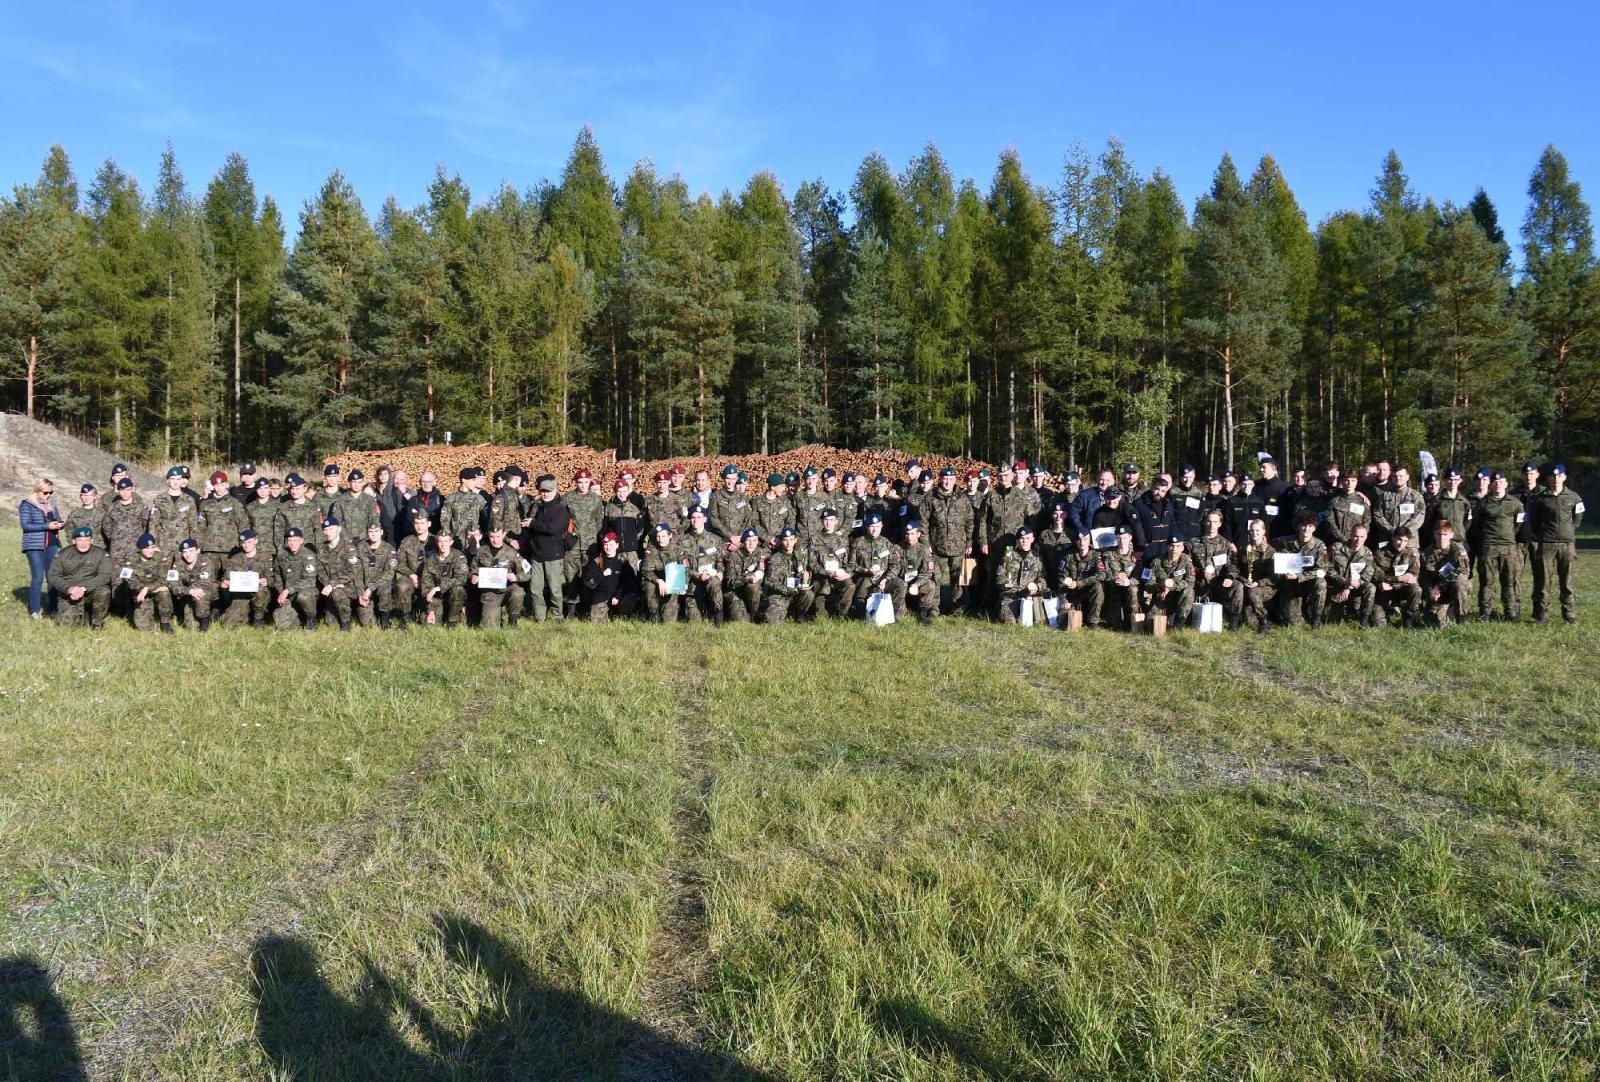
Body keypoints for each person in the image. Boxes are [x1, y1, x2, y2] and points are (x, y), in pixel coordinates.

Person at [1528, 463, 1584, 624]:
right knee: (1543, 581)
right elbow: (1534, 521)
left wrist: (1568, 531)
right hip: (1546, 544)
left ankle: (1569, 615)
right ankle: (1542, 615)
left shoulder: (1574, 497)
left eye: (1559, 476)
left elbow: (1577, 519)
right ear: (1548, 478)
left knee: (1567, 582)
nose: (1556, 479)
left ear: (1564, 477)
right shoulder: (1540, 498)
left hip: (1567, 545)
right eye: (1552, 476)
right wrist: (1545, 534)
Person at [1474, 470, 1522, 621]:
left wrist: (1508, 537)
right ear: (1491, 485)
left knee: (1509, 581)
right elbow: (1477, 525)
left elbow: (1518, 524)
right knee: (1486, 581)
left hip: (1508, 547)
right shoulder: (1483, 504)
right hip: (1488, 546)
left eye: (1501, 482)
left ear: (1506, 484)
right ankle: (1485, 612)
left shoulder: (1515, 503)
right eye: (1495, 482)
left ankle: (1510, 612)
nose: (1498, 485)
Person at [927, 467, 975, 615]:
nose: (948, 482)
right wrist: (926, 544)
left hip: (958, 546)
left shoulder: (962, 498)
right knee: (935, 578)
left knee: (959, 579)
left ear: (955, 480)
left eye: (951, 479)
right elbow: (923, 522)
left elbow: (969, 522)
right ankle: (934, 608)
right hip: (937, 546)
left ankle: (959, 609)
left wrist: (969, 543)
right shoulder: (931, 498)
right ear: (940, 479)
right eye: (945, 479)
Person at [47, 525, 113, 629]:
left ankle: (97, 624)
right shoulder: (63, 554)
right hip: (69, 594)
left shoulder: (101, 554)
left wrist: (83, 588)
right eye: (80, 540)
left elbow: (105, 576)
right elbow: (53, 575)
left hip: (90, 592)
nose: (83, 543)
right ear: (73, 541)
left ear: (92, 540)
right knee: (67, 627)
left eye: (87, 540)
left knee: (104, 591)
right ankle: (83, 615)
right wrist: (69, 589)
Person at [525, 474, 570, 622]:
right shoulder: (537, 507)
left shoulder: (561, 510)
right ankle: (540, 617)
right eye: (543, 490)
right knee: (535, 589)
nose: (545, 493)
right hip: (537, 555)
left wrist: (533, 524)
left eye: (548, 491)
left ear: (555, 490)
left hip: (554, 555)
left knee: (555, 590)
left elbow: (554, 528)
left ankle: (557, 616)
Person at [19, 478, 64, 619]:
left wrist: (60, 524)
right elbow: (26, 525)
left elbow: (58, 519)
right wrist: (47, 526)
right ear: (37, 490)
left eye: (51, 492)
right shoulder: (27, 505)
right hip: (34, 546)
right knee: (38, 577)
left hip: (52, 544)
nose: (48, 495)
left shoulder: (52, 504)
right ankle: (34, 610)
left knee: (52, 577)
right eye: (45, 492)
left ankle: (53, 609)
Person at [849, 512, 905, 620]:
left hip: (883, 577)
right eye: (872, 526)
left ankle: (894, 617)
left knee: (901, 585)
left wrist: (885, 579)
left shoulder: (887, 543)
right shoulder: (858, 543)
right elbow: (851, 565)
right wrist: (865, 570)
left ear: (882, 526)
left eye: (877, 526)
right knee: (861, 608)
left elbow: (895, 565)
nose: (875, 530)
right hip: (865, 577)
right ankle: (863, 615)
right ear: (867, 527)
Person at [1224, 519, 1277, 633]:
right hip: (1247, 584)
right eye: (1252, 530)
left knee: (1253, 592)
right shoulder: (1244, 549)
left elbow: (1273, 576)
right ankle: (1235, 620)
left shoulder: (1270, 551)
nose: (1254, 533)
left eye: (1257, 530)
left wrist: (1258, 583)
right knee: (1249, 622)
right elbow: (1237, 569)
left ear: (1263, 531)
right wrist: (1244, 581)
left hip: (1265, 587)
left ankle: (1264, 622)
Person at [316, 514, 365, 631]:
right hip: (330, 588)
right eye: (325, 529)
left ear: (339, 529)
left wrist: (333, 584)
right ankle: (339, 610)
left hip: (349, 587)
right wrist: (328, 584)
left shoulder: (349, 548)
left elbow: (353, 572)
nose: (328, 532)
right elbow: (319, 570)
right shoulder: (322, 549)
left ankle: (346, 623)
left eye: (331, 528)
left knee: (338, 594)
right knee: (330, 623)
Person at [471, 525, 525, 629]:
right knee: (489, 628)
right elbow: (473, 569)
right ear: (488, 536)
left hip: (508, 588)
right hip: (489, 592)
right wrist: (474, 576)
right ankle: (498, 615)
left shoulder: (511, 552)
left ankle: (512, 622)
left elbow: (527, 571)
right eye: (492, 537)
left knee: (518, 592)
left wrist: (516, 577)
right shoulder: (482, 551)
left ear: (503, 535)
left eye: (498, 536)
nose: (495, 540)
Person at [1420, 519, 1472, 627]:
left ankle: (1462, 618)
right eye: (1439, 534)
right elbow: (1424, 577)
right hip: (1436, 593)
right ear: (1434, 534)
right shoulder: (1426, 554)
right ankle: (1447, 612)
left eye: (1445, 534)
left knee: (1460, 584)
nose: (1441, 538)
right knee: (1435, 624)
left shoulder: (1458, 549)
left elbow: (1463, 571)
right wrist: (1431, 592)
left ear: (1451, 535)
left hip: (1453, 587)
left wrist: (1440, 587)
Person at [221, 529, 275, 629]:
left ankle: (258, 618)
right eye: (243, 543)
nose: (246, 545)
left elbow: (273, 579)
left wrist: (267, 581)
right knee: (228, 625)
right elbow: (226, 577)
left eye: (249, 542)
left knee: (261, 591)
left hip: (259, 594)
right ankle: (245, 616)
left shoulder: (265, 558)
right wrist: (225, 582)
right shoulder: (235, 558)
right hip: (241, 596)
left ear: (256, 541)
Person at [581, 532, 640, 622]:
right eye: (606, 544)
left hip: (619, 597)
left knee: (630, 601)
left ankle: (620, 616)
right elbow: (588, 583)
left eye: (611, 544)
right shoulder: (597, 562)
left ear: (617, 545)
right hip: (602, 597)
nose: (608, 547)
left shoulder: (622, 562)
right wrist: (602, 575)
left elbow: (629, 582)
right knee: (596, 624)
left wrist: (617, 595)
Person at [682, 504, 726, 624]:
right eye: (693, 517)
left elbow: (720, 561)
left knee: (714, 582)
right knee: (694, 622)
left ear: (705, 519)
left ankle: (718, 615)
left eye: (699, 517)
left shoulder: (715, 540)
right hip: (693, 585)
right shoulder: (682, 541)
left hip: (711, 581)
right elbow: (682, 567)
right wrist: (696, 575)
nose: (696, 520)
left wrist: (720, 572)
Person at [1328, 521, 1378, 626]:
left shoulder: (1368, 553)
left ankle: (1363, 621)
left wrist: (1348, 587)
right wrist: (1345, 581)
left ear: (1366, 537)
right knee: (1333, 622)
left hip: (1355, 588)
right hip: (1336, 587)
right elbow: (1327, 569)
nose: (1358, 540)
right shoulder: (1336, 548)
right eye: (1355, 536)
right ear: (1351, 535)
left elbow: (1367, 575)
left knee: (1371, 587)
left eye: (1362, 537)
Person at [996, 525, 1048, 626]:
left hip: (1029, 597)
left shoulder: (1037, 558)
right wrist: (1008, 586)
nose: (1024, 541)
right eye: (1021, 538)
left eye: (1027, 538)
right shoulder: (1008, 556)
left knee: (1032, 622)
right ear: (1018, 540)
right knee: (1009, 623)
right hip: (1011, 596)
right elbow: (999, 579)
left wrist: (1037, 587)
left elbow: (1043, 579)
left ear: (1032, 539)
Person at [198, 471, 246, 578]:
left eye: (222, 485)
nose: (219, 488)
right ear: (212, 486)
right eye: (216, 485)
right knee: (207, 579)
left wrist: (243, 545)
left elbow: (243, 524)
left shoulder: (234, 503)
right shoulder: (205, 504)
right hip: (209, 549)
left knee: (230, 580)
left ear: (227, 485)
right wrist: (198, 546)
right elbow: (200, 527)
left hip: (230, 549)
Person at [808, 508, 854, 619]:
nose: (828, 523)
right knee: (821, 617)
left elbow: (850, 562)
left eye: (831, 519)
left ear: (836, 521)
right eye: (826, 520)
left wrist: (847, 573)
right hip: (821, 579)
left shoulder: (842, 540)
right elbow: (812, 563)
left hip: (838, 578)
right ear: (822, 521)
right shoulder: (814, 539)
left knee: (850, 585)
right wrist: (827, 573)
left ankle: (841, 615)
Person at [641, 521, 691, 624]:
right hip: (655, 582)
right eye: (658, 536)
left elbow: (685, 569)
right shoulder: (651, 549)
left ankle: (673, 608)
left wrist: (684, 584)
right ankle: (653, 613)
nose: (660, 539)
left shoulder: (678, 550)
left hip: (673, 583)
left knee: (669, 622)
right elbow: (646, 571)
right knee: (649, 585)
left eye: (663, 536)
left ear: (670, 535)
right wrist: (658, 581)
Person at [124, 532, 175, 633]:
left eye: (152, 547)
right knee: (144, 628)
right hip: (140, 594)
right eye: (147, 548)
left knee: (164, 592)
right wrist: (144, 590)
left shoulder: (160, 557)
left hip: (154, 591)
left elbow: (164, 579)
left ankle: (165, 622)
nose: (150, 551)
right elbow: (131, 583)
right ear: (140, 548)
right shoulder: (130, 560)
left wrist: (147, 588)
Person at [1375, 528, 1423, 628]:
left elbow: (1413, 576)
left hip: (1400, 588)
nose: (1401, 543)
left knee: (1416, 589)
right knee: (1378, 624)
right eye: (1399, 539)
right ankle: (1388, 611)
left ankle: (1408, 618)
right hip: (1384, 590)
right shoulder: (1380, 553)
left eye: (1405, 541)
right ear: (1393, 537)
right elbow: (1378, 575)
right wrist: (1400, 578)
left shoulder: (1411, 554)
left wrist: (1394, 583)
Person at [1142, 536, 1196, 626]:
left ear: (1182, 548)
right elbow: (1148, 583)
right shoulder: (1156, 561)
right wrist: (1160, 588)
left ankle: (1179, 623)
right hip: (1161, 597)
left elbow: (1190, 582)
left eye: (1178, 546)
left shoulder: (1186, 560)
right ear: (1167, 546)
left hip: (1178, 597)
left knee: (1189, 591)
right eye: (1172, 545)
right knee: (1151, 626)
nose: (1174, 549)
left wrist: (1171, 587)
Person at [356, 520, 401, 629]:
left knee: (385, 590)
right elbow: (356, 572)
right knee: (367, 624)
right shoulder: (361, 547)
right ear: (367, 533)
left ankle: (384, 620)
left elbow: (389, 574)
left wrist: (370, 589)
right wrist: (360, 592)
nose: (373, 534)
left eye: (376, 531)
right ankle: (370, 610)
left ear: (381, 532)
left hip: (381, 585)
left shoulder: (389, 549)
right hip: (364, 586)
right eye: (371, 531)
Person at [1056, 530, 1106, 627]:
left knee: (1098, 586)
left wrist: (1079, 583)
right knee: (1062, 623)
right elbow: (1062, 579)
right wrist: (1064, 600)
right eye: (1079, 540)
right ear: (1076, 541)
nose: (1082, 542)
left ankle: (1093, 621)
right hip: (1072, 595)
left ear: (1090, 540)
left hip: (1089, 594)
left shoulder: (1096, 556)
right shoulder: (1068, 556)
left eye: (1085, 539)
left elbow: (1101, 575)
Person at [421, 530, 469, 627]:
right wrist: (431, 611)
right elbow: (426, 587)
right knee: (429, 626)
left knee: (458, 589)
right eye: (440, 541)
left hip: (454, 598)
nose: (443, 545)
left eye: (446, 541)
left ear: (451, 542)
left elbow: (461, 578)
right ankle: (440, 615)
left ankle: (453, 622)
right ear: (437, 542)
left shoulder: (458, 557)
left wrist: (439, 587)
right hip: (437, 599)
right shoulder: (430, 560)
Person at [171, 539, 218, 631]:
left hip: (207, 592)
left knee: (200, 596)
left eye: (191, 551)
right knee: (191, 627)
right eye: (184, 552)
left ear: (198, 550)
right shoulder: (178, 564)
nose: (188, 555)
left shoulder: (206, 562)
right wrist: (188, 591)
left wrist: (187, 590)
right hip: (189, 594)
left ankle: (204, 627)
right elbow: (172, 583)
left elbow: (204, 584)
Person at [723, 529, 769, 623]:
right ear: (743, 542)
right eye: (748, 540)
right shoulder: (733, 556)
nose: (751, 543)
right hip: (736, 593)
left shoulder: (763, 554)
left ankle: (754, 615)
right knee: (741, 622)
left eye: (754, 540)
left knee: (754, 587)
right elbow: (729, 582)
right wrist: (746, 579)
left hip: (755, 593)